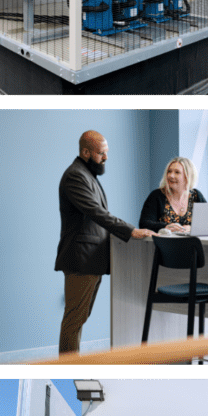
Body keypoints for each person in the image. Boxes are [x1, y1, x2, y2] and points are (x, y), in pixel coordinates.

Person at [54, 130, 157, 354]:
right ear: (85, 152)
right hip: (80, 260)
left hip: (92, 260)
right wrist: (131, 231)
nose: (105, 158)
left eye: (106, 153)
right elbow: (96, 213)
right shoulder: (75, 175)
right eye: (102, 153)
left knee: (79, 319)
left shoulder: (87, 175)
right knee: (73, 322)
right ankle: (68, 372)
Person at [138, 156, 208, 233]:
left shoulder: (196, 195)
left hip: (193, 243)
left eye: (177, 172)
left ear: (187, 176)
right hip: (164, 244)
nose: (171, 175)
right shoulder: (156, 195)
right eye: (169, 171)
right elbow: (144, 224)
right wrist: (165, 227)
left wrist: (192, 228)